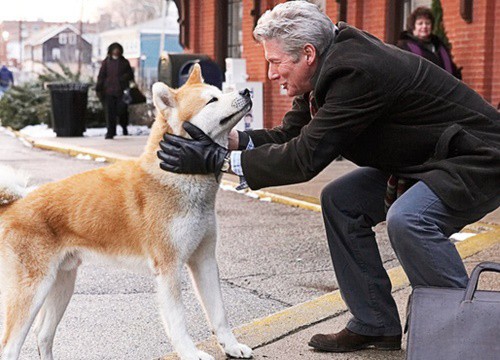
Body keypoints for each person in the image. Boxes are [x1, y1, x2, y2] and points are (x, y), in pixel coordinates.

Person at [157, 1, 500, 354]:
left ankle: (468, 332)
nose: (272, 74)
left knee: (410, 219)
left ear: (307, 54)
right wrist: (226, 141)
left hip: (476, 158)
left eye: (275, 62)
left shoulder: (355, 72)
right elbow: (291, 136)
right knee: (341, 201)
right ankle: (375, 323)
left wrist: (218, 161)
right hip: (427, 160)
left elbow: (305, 158)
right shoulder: (325, 67)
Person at [397, 6, 462, 79]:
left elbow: (452, 69)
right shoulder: (404, 47)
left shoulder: (439, 46)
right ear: (413, 26)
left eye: (427, 23)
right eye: (420, 23)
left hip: (444, 88)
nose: (424, 26)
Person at [96, 42, 134, 139]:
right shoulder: (106, 62)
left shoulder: (124, 62)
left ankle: (124, 127)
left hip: (121, 92)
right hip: (108, 92)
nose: (116, 51)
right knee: (109, 113)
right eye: (114, 49)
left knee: (122, 111)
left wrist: (124, 78)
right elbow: (101, 76)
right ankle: (110, 132)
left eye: (117, 49)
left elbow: (130, 75)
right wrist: (99, 88)